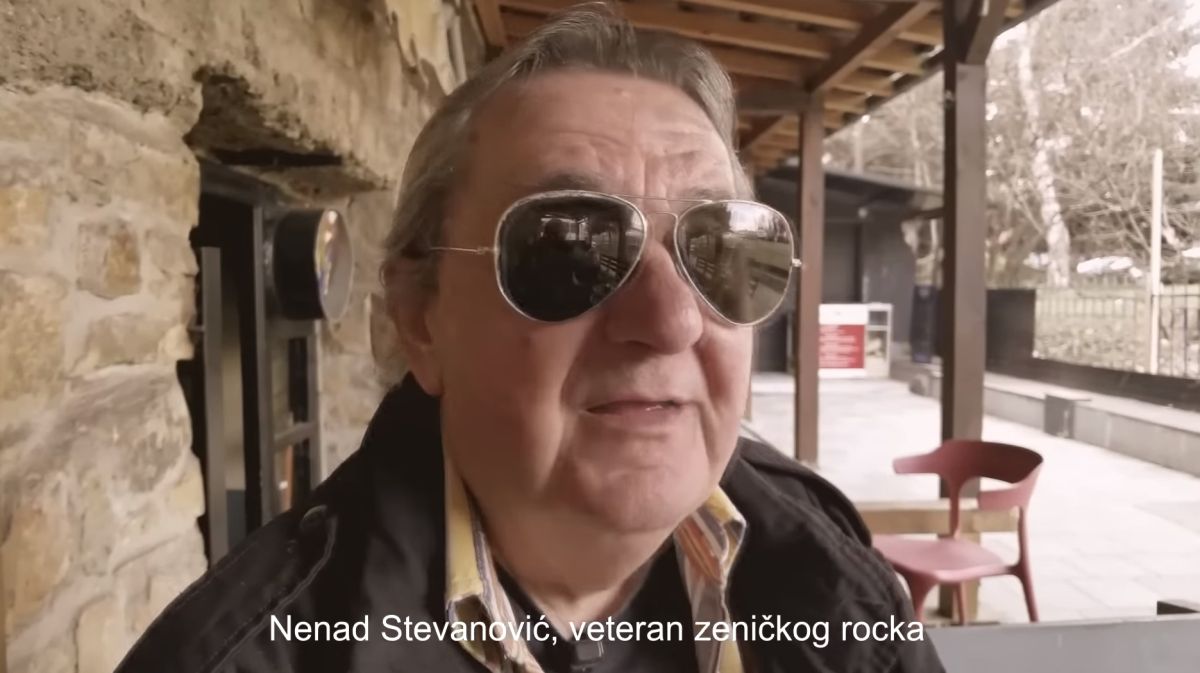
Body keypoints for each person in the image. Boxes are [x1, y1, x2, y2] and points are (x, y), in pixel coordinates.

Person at [115, 3, 945, 672]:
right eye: (568, 249)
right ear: (421, 316)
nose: (673, 319)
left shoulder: (836, 582)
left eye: (721, 250)